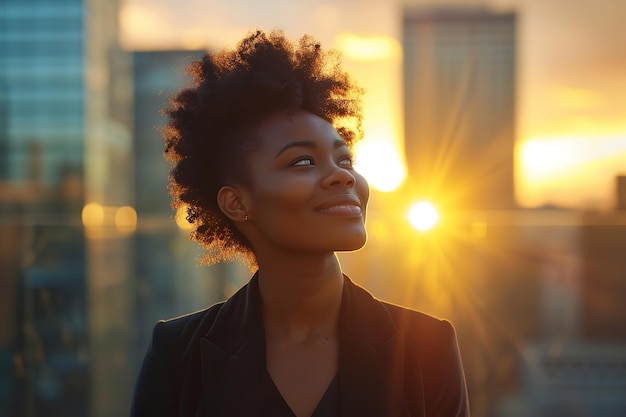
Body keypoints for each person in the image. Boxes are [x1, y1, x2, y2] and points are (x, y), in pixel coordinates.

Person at [131, 30, 469, 417]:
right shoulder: (177, 353)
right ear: (237, 202)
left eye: (344, 160)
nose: (342, 177)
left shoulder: (428, 345)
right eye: (303, 162)